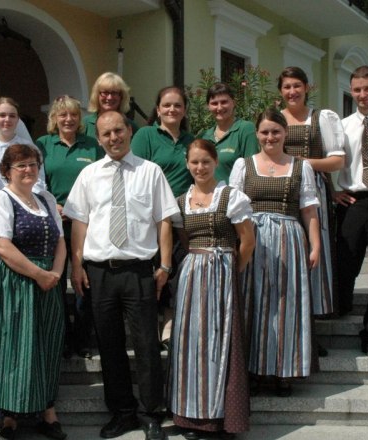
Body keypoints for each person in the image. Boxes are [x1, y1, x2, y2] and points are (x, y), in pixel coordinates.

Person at [64, 111, 177, 440]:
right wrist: (76, 265)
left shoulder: (150, 172)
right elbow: (79, 223)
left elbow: (164, 221)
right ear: (98, 139)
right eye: (105, 134)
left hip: (139, 271)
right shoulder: (89, 175)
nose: (113, 138)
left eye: (118, 131)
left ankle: (151, 413)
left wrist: (165, 265)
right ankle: (122, 412)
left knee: (146, 345)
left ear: (130, 131)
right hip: (99, 272)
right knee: (109, 345)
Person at [0, 144, 67, 440]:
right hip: (13, 282)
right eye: (20, 165)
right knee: (13, 347)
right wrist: (39, 274)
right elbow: (1, 246)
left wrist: (55, 274)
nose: (28, 170)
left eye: (32, 164)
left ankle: (48, 411)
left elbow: (60, 241)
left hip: (47, 281)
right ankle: (9, 418)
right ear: (6, 171)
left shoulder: (45, 198)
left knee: (45, 344)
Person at [229, 108, 321, 397]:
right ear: (257, 134)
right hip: (252, 239)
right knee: (251, 303)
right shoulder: (243, 165)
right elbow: (232, 209)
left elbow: (309, 209)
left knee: (285, 306)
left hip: (288, 239)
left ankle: (284, 371)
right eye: (265, 132)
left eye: (276, 131)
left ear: (285, 134)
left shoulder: (301, 166)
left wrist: (315, 243)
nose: (270, 137)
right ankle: (253, 370)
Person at [169, 139, 255, 439]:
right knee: (191, 345)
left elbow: (247, 241)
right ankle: (192, 418)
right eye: (194, 162)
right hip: (192, 276)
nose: (200, 167)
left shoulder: (232, 197)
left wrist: (231, 270)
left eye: (205, 161)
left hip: (223, 274)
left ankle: (222, 419)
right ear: (187, 164)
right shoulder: (181, 202)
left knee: (222, 343)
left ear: (215, 162)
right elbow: (185, 241)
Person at [36, 95, 104, 359]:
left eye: (74, 114)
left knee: (84, 283)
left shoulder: (91, 146)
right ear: (54, 118)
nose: (68, 119)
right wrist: (53, 206)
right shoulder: (43, 144)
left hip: (87, 224)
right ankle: (60, 338)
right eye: (62, 115)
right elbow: (37, 181)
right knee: (55, 280)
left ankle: (82, 339)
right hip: (55, 222)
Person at [278, 67, 344, 328]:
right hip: (281, 190)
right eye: (286, 86)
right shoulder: (275, 119)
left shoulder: (322, 118)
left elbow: (337, 161)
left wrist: (301, 163)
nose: (292, 91)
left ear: (306, 87)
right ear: (281, 91)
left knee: (314, 251)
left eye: (296, 85)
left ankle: (311, 323)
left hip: (313, 190)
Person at [131, 85, 195, 349]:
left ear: (184, 110)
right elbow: (134, 172)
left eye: (177, 105)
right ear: (157, 109)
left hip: (181, 217)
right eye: (166, 105)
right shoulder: (146, 135)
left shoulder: (191, 141)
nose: (172, 110)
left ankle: (168, 325)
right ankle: (150, 328)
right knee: (151, 270)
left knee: (174, 270)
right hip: (149, 216)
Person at [333, 66, 368, 359]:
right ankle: (341, 309)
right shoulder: (341, 126)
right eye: (357, 90)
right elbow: (330, 162)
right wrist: (333, 190)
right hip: (352, 201)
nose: (362, 95)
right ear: (351, 90)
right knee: (345, 262)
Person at [0, 97, 46, 193]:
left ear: (17, 119)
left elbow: (39, 181)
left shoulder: (30, 148)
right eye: (2, 115)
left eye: (12, 116)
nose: (7, 119)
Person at [197, 82, 260, 181]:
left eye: (224, 102)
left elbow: (251, 170)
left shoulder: (245, 129)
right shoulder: (203, 137)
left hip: (234, 195)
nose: (219, 107)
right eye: (214, 103)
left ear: (234, 103)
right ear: (208, 106)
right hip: (208, 195)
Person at [83, 72, 140, 140]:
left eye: (114, 93)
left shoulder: (131, 126)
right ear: (97, 95)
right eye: (105, 92)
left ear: (121, 96)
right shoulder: (85, 124)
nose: (109, 97)